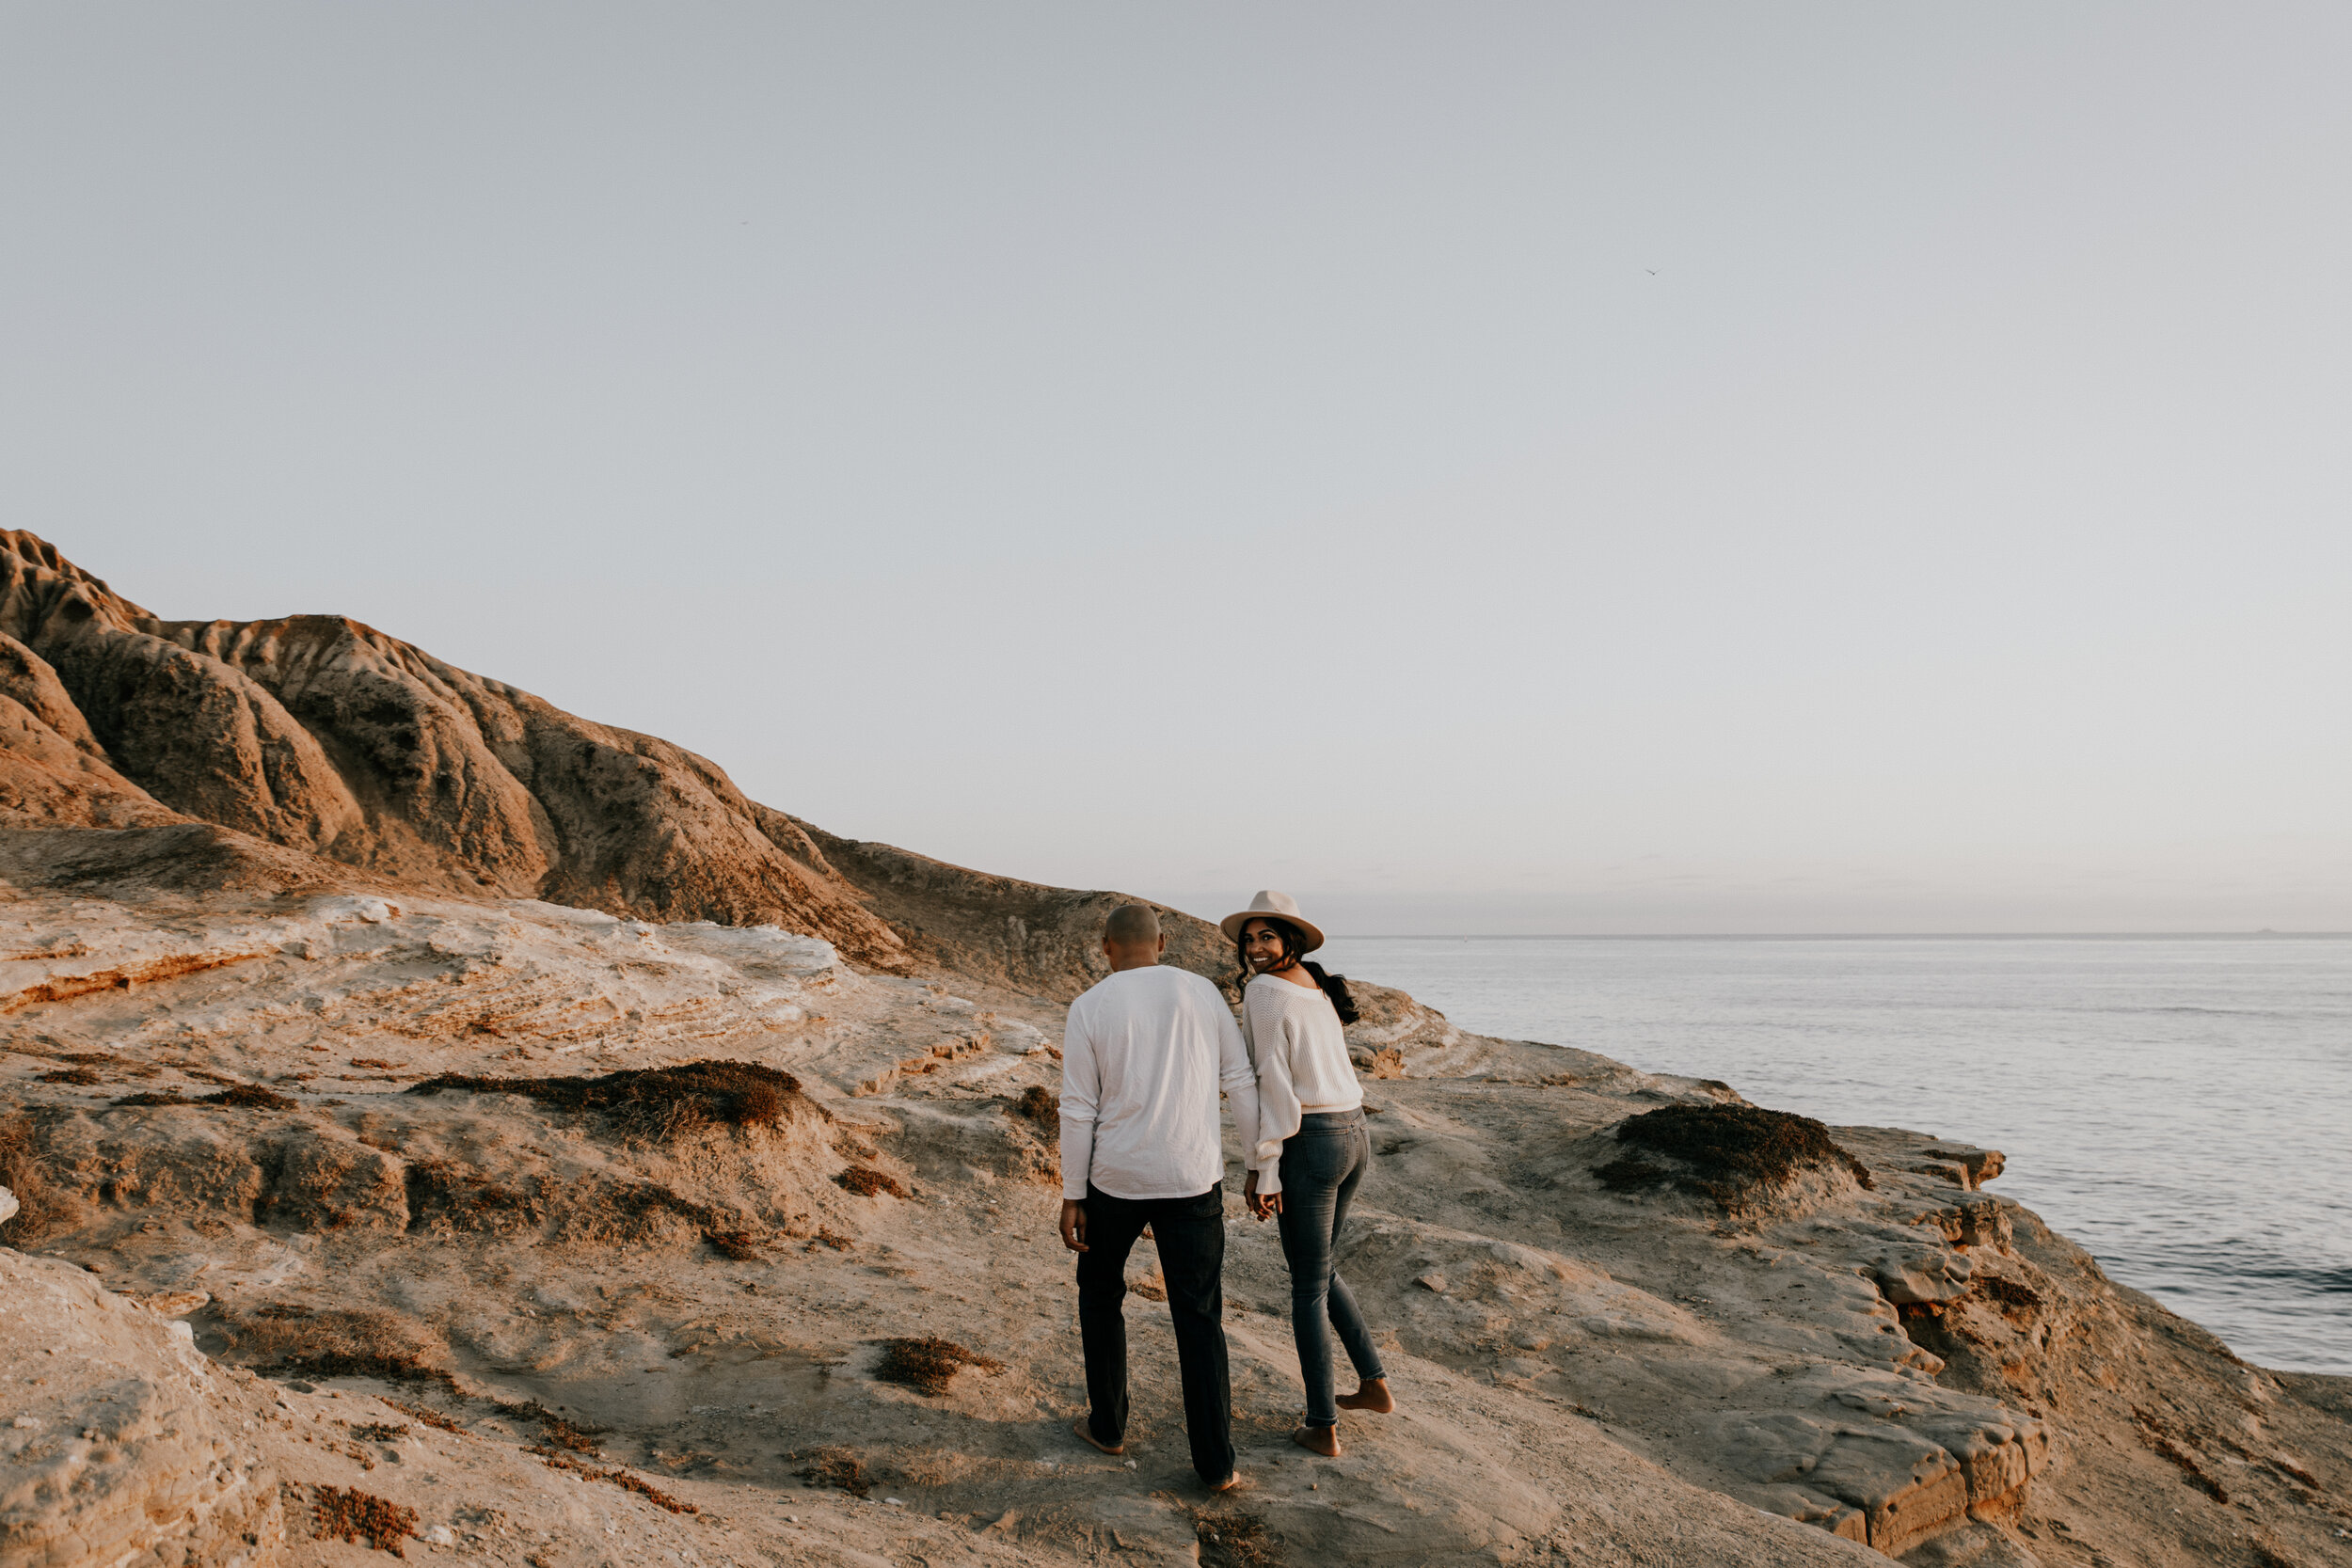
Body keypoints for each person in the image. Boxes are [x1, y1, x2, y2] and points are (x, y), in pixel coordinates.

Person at [1058, 903, 1257, 1492]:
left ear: (1106, 947)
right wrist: (1259, 1165)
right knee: (1198, 1317)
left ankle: (1108, 1427)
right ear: (1163, 942)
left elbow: (1078, 1108)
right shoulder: (1202, 993)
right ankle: (1217, 1464)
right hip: (1192, 1176)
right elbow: (1240, 1081)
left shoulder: (1090, 1005)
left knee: (1099, 1297)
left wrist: (1073, 1194)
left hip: (1113, 1179)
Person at [1224, 890, 1395, 1458]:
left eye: (1265, 937)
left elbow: (1270, 1085)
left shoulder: (1265, 992)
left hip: (1312, 1142)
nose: (1254, 948)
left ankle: (1322, 1425)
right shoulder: (1312, 984)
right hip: (1353, 1135)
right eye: (1248, 940)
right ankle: (1372, 1384)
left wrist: (1261, 1168)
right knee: (1319, 1269)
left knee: (1305, 1286)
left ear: (1289, 939)